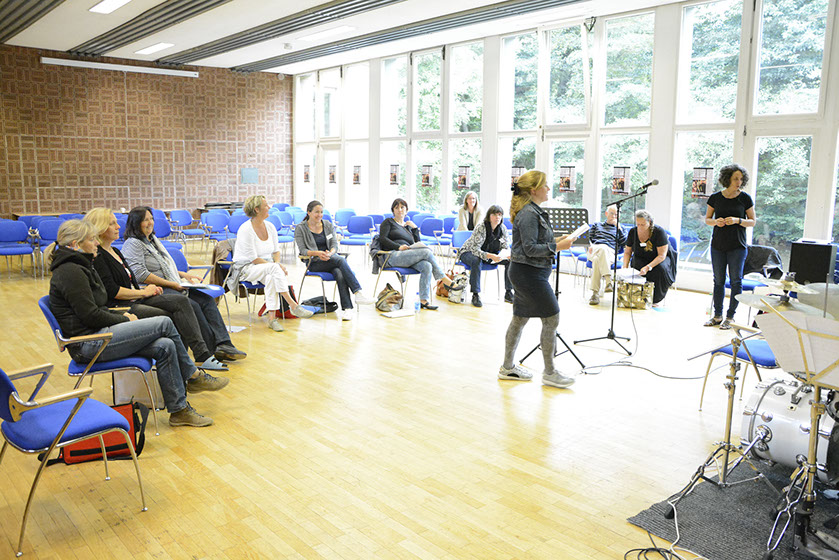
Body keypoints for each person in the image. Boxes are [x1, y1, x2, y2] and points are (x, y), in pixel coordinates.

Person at [48, 220, 226, 427]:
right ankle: (193, 375)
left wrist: (121, 316)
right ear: (75, 245)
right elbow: (91, 316)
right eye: (91, 239)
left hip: (99, 334)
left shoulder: (80, 266)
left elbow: (97, 308)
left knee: (166, 345)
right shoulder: (70, 271)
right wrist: (125, 318)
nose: (96, 243)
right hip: (89, 344)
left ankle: (179, 411)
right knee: (164, 323)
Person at [84, 208, 227, 371]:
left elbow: (131, 278)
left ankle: (198, 357)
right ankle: (193, 360)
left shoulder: (115, 251)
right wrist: (144, 292)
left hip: (137, 297)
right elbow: (113, 291)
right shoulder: (99, 256)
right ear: (100, 228)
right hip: (122, 305)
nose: (118, 227)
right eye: (112, 224)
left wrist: (149, 290)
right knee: (173, 313)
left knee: (184, 302)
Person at [121, 207, 247, 360]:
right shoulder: (133, 244)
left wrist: (181, 274)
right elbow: (140, 274)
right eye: (145, 220)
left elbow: (163, 267)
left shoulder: (152, 241)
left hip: (170, 284)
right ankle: (210, 350)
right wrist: (172, 284)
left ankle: (224, 343)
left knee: (206, 300)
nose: (150, 222)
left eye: (151, 219)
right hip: (153, 289)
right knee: (192, 305)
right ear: (136, 223)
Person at [499, 170, 577, 389]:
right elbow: (530, 249)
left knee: (519, 319)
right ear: (534, 190)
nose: (548, 188)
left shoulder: (533, 211)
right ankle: (550, 373)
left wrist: (558, 240)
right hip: (528, 274)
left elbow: (536, 240)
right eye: (545, 185)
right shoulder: (528, 214)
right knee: (552, 318)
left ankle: (507, 367)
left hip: (529, 272)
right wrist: (557, 247)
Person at [232, 195, 314, 332]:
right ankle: (293, 305)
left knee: (272, 277)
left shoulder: (270, 227)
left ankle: (271, 319)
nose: (269, 207)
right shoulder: (245, 229)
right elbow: (254, 259)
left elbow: (276, 251)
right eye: (266, 205)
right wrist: (276, 266)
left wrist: (276, 263)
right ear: (257, 209)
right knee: (274, 270)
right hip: (246, 268)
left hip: (267, 267)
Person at [294, 200, 374, 321]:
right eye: (316, 212)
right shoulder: (300, 228)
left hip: (331, 259)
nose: (320, 215)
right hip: (314, 262)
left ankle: (347, 309)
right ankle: (358, 292)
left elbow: (334, 245)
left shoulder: (327, 225)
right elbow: (303, 250)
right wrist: (318, 253)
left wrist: (330, 253)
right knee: (340, 260)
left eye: (321, 212)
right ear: (309, 212)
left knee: (339, 273)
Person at [704, 163, 756, 330]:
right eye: (735, 179)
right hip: (718, 245)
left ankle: (730, 316)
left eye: (741, 179)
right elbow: (707, 219)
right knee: (718, 280)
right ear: (727, 179)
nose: (738, 182)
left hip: (737, 246)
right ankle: (717, 315)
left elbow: (752, 221)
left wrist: (737, 220)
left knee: (735, 281)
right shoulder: (715, 198)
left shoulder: (745, 198)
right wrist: (716, 222)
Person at [379, 198, 452, 310]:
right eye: (396, 208)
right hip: (393, 255)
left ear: (406, 210)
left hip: (408, 256)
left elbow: (417, 244)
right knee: (427, 252)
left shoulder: (408, 226)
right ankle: (444, 279)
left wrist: (415, 229)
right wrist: (398, 247)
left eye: (402, 207)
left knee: (427, 266)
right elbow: (383, 239)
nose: (400, 210)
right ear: (393, 210)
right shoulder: (388, 222)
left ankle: (424, 301)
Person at [458, 204, 514, 307]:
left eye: (499, 215)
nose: (497, 217)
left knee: (510, 261)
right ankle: (475, 294)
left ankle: (508, 292)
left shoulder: (503, 229)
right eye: (494, 215)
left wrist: (506, 255)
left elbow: (505, 246)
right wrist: (490, 256)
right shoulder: (481, 227)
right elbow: (475, 250)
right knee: (476, 260)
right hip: (468, 252)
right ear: (489, 216)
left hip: (488, 254)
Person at [623, 209, 675, 306]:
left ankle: (654, 299)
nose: (639, 227)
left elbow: (661, 255)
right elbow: (627, 252)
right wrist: (625, 267)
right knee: (636, 265)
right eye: (638, 224)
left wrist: (648, 267)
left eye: (642, 224)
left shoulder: (659, 232)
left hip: (659, 258)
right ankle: (638, 295)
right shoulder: (633, 231)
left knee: (659, 269)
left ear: (649, 222)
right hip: (641, 256)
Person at [587, 204, 627, 305]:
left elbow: (625, 244)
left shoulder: (621, 228)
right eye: (612, 213)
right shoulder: (597, 225)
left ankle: (595, 294)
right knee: (602, 248)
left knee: (597, 260)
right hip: (595, 249)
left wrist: (618, 228)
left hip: (610, 253)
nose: (614, 216)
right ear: (606, 214)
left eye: (616, 215)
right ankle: (608, 281)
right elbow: (588, 239)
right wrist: (590, 245)